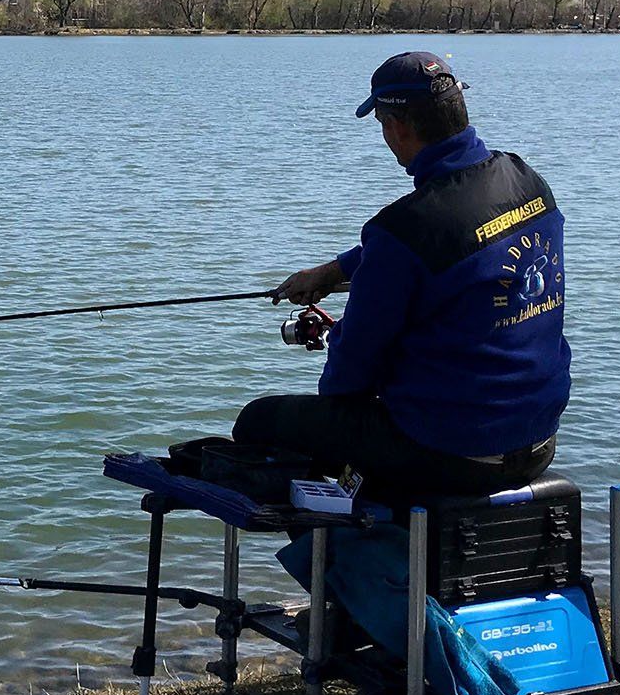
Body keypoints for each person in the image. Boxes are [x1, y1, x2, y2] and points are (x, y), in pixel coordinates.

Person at [234, 51, 570, 498]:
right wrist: (335, 270)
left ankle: (337, 549)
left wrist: (342, 348)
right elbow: (459, 238)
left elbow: (347, 380)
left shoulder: (403, 231)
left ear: (396, 126)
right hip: (539, 439)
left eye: (382, 126)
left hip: (453, 454)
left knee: (257, 422)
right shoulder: (526, 180)